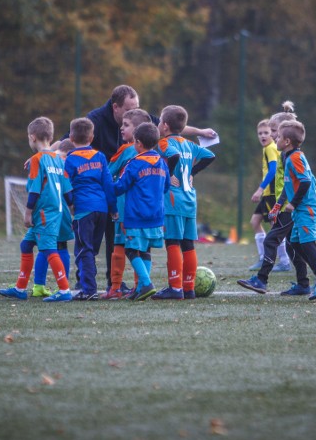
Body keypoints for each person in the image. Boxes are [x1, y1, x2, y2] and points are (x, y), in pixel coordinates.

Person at [72, 85, 217, 291]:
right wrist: (187, 174)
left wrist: (102, 183)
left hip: (130, 210)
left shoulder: (137, 152)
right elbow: (203, 156)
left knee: (130, 247)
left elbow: (111, 175)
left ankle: (132, 286)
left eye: (127, 125)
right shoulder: (159, 156)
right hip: (165, 208)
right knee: (176, 245)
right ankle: (180, 287)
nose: (122, 128)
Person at [238, 120, 316, 301]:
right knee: (294, 244)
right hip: (300, 206)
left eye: (278, 136)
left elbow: (305, 182)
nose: (275, 138)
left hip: (308, 207)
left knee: (306, 242)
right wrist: (277, 206)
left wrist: (293, 204)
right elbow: (288, 186)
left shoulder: (296, 157)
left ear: (287, 141)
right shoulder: (287, 157)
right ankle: (313, 279)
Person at [0, 117, 73, 302]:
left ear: (32, 137)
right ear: (51, 136)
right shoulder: (58, 159)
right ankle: (20, 288)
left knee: (48, 249)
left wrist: (27, 212)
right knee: (26, 244)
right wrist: (72, 207)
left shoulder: (36, 160)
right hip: (55, 211)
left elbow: (34, 189)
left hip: (43, 213)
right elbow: (67, 189)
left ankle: (64, 291)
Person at [153, 105, 216, 300]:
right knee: (188, 244)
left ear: (164, 125)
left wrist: (168, 175)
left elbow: (173, 155)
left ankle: (175, 288)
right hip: (190, 200)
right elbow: (210, 155)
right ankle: (188, 288)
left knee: (172, 242)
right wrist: (191, 173)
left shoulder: (164, 143)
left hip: (173, 200)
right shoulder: (189, 144)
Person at [112, 122, 171, 301]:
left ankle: (146, 283)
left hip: (136, 216)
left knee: (131, 250)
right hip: (156, 216)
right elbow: (166, 187)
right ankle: (140, 288)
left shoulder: (134, 164)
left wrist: (106, 185)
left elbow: (120, 187)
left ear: (137, 143)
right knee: (145, 250)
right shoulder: (161, 163)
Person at [63, 118, 118, 300]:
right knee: (91, 250)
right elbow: (108, 184)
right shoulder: (100, 157)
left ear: (71, 137)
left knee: (84, 249)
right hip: (101, 209)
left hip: (84, 210)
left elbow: (65, 184)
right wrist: (113, 207)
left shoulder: (70, 160)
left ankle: (88, 289)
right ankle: (85, 283)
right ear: (92, 136)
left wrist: (70, 203)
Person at [103, 108, 153, 299]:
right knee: (141, 247)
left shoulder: (126, 150)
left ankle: (116, 287)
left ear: (138, 130)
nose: (121, 128)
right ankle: (139, 285)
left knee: (120, 245)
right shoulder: (152, 153)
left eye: (126, 125)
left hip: (124, 206)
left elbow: (109, 171)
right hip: (145, 207)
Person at [29, 139, 75, 298]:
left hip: (49, 209)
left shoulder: (50, 160)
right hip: (61, 210)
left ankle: (41, 285)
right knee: (58, 246)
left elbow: (55, 145)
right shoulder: (66, 163)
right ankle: (61, 285)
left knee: (46, 247)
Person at [248, 113, 292, 272]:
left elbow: (273, 170)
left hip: (272, 193)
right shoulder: (268, 148)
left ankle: (284, 261)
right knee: (255, 221)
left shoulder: (271, 148)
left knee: (275, 225)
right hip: (267, 193)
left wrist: (260, 189)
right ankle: (262, 258)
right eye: (260, 133)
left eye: (267, 132)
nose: (263, 136)